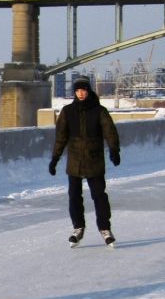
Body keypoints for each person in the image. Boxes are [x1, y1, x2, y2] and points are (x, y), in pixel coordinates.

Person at [49, 76, 121, 248]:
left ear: (88, 91)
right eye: (78, 90)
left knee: (99, 196)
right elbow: (60, 138)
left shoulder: (99, 111)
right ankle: (78, 228)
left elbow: (110, 132)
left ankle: (105, 229)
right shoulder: (67, 111)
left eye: (83, 90)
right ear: (74, 92)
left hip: (94, 159)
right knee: (74, 197)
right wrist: (55, 159)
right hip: (74, 161)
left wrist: (114, 150)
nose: (80, 93)